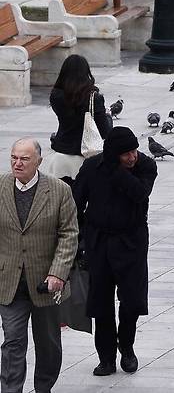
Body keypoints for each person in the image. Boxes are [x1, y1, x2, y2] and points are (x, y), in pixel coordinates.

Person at [72, 127, 157, 376]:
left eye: (134, 151)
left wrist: (115, 169)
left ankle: (127, 346)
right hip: (99, 242)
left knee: (132, 301)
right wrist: (79, 239)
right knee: (101, 303)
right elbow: (76, 204)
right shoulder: (91, 168)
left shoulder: (146, 166)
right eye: (125, 154)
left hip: (131, 242)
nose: (132, 157)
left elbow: (139, 193)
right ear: (112, 153)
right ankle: (106, 357)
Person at [0, 138, 78, 392]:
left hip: (46, 283)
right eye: (14, 157)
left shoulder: (59, 191)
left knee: (48, 343)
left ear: (39, 162)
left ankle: (44, 387)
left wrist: (58, 273)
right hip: (9, 282)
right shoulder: (1, 187)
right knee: (12, 340)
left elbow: (69, 234)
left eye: (24, 158)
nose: (17, 163)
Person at [41, 54, 112, 185]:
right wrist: (107, 116)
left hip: (61, 154)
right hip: (85, 156)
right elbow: (105, 131)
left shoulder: (55, 96)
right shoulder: (94, 98)